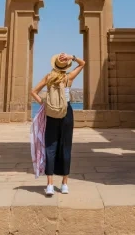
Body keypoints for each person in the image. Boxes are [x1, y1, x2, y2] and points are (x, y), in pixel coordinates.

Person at [31, 52, 85, 196]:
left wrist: (44, 104)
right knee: (66, 147)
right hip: (66, 113)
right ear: (66, 66)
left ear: (54, 65)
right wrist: (72, 57)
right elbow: (83, 63)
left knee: (50, 147)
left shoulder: (49, 77)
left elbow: (33, 91)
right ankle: (65, 184)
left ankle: (49, 185)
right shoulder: (69, 78)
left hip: (51, 113)